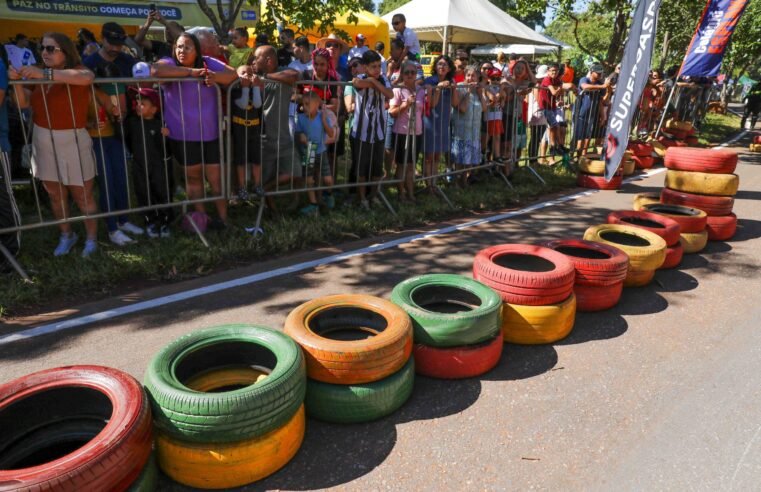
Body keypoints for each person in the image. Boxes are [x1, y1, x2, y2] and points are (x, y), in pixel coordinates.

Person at [9, 32, 99, 257]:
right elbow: (22, 104)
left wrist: (46, 73)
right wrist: (17, 83)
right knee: (55, 194)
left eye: (51, 48)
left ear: (65, 51)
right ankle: (67, 235)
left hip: (73, 139)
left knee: (82, 195)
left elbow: (87, 78)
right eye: (43, 48)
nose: (44, 52)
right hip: (42, 138)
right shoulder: (38, 75)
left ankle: (91, 239)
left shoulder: (76, 70)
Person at [152, 32, 237, 229]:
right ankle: (202, 220)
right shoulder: (169, 62)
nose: (182, 51)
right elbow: (155, 71)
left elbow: (232, 75)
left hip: (211, 133)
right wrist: (190, 73)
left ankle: (224, 220)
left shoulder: (207, 62)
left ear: (197, 50)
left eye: (187, 47)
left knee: (216, 180)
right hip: (182, 135)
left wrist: (214, 77)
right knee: (193, 178)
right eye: (179, 46)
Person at [237, 45, 301, 199]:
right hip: (263, 140)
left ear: (268, 60)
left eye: (256, 58)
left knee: (296, 173)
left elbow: (294, 76)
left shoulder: (281, 72)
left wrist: (266, 77)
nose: (252, 61)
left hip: (284, 138)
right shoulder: (252, 77)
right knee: (261, 179)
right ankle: (269, 209)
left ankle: (266, 189)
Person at [124, 87, 174, 238]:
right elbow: (123, 137)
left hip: (158, 165)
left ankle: (165, 221)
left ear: (154, 109)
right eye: (137, 102)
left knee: (162, 191)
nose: (138, 105)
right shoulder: (132, 122)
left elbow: (166, 149)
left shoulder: (160, 124)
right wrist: (117, 118)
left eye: (143, 103)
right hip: (139, 165)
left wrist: (165, 136)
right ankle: (150, 221)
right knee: (143, 192)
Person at [350, 50, 393, 209]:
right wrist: (375, 83)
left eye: (378, 66)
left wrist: (375, 82)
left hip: (379, 131)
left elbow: (390, 94)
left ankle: (374, 196)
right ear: (365, 67)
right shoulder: (361, 77)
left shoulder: (383, 79)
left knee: (377, 167)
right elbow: (357, 83)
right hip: (362, 132)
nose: (377, 70)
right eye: (373, 67)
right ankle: (362, 199)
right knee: (361, 168)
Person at [389, 60, 426, 202]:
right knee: (401, 165)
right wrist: (405, 104)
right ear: (402, 74)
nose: (410, 75)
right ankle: (401, 194)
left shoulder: (421, 91)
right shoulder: (398, 89)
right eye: (407, 72)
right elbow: (392, 112)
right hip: (401, 132)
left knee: (411, 165)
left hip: (417, 132)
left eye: (413, 72)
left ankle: (411, 194)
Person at [295, 91, 336, 215]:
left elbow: (330, 134)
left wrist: (324, 120)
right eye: (303, 104)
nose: (304, 107)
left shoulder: (322, 117)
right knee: (309, 179)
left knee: (328, 179)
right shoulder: (301, 118)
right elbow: (298, 132)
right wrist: (301, 136)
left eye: (307, 104)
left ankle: (328, 194)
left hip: (321, 151)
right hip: (309, 151)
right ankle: (313, 205)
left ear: (317, 104)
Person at [422, 55, 457, 190]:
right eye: (439, 64)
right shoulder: (430, 81)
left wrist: (453, 89)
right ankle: (428, 184)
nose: (442, 67)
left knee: (437, 155)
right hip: (430, 122)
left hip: (443, 123)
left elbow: (455, 103)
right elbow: (431, 104)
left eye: (445, 65)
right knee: (429, 155)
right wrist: (438, 88)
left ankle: (433, 184)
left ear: (449, 68)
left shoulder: (451, 81)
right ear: (435, 66)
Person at [229, 65, 263, 201]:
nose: (246, 76)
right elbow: (243, 104)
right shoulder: (234, 90)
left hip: (254, 128)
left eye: (250, 73)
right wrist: (244, 87)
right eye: (243, 73)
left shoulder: (254, 90)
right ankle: (242, 187)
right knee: (241, 160)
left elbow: (257, 104)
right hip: (240, 129)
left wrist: (254, 87)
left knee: (256, 159)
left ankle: (257, 184)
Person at [451, 64, 486, 187]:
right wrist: (468, 93)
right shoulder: (461, 87)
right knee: (460, 160)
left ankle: (465, 181)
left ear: (478, 77)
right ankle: (457, 183)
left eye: (473, 76)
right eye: (468, 75)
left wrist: (481, 94)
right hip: (461, 131)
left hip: (474, 131)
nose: (470, 78)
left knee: (469, 161)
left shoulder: (478, 90)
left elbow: (484, 108)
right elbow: (462, 109)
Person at [573, 64, 609, 158]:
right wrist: (603, 86)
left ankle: (583, 157)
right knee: (578, 137)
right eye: (598, 73)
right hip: (580, 113)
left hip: (592, 114)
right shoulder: (584, 79)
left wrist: (603, 116)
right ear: (592, 72)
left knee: (587, 137)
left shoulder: (600, 83)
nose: (600, 75)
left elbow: (602, 101)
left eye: (601, 73)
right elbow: (584, 86)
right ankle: (575, 157)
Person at [538, 63, 565, 155]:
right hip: (545, 107)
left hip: (552, 106)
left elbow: (562, 87)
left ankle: (554, 147)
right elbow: (554, 92)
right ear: (548, 71)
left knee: (553, 128)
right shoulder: (547, 79)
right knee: (555, 126)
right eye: (552, 71)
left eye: (556, 71)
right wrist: (558, 89)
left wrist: (560, 88)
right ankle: (559, 146)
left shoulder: (556, 79)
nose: (554, 72)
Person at [484, 68, 506, 165]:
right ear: (489, 79)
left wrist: (502, 100)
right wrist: (501, 90)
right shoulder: (487, 88)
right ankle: (482, 154)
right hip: (489, 116)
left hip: (497, 116)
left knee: (497, 136)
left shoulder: (499, 88)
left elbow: (503, 98)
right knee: (487, 137)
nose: (496, 81)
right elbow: (494, 98)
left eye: (498, 79)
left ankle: (497, 156)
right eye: (493, 78)